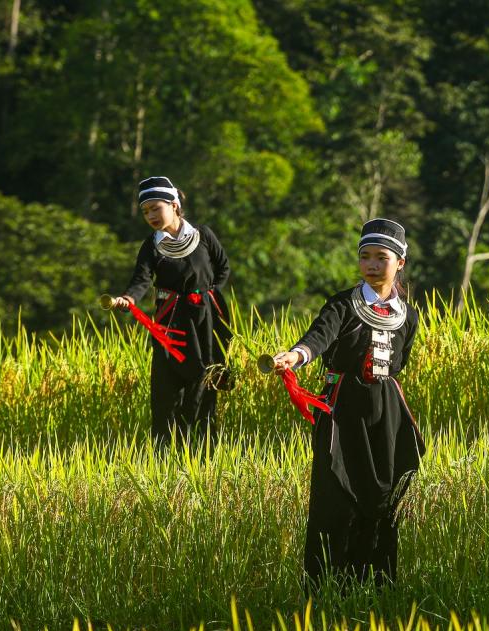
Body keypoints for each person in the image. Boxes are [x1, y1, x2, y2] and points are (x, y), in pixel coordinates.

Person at [269, 219, 424, 584]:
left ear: (399, 263)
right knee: (335, 495)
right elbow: (319, 336)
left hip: (386, 411)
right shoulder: (343, 305)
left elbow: (399, 363)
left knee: (382, 497)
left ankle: (376, 583)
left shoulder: (409, 316)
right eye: (365, 257)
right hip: (342, 408)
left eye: (381, 258)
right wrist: (296, 355)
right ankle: (326, 586)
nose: (371, 265)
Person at [111, 176, 233, 446]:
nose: (151, 215)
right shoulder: (151, 246)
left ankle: (204, 454)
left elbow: (222, 268)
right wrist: (128, 299)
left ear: (174, 205)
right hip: (172, 324)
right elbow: (141, 280)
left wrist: (208, 296)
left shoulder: (203, 235)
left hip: (206, 321)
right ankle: (166, 457)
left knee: (205, 383)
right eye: (145, 211)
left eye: (156, 208)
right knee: (167, 390)